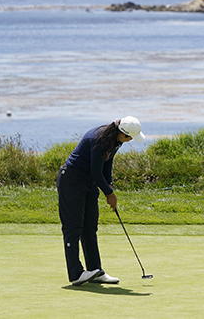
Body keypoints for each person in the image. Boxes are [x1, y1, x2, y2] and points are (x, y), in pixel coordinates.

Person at [56, 116, 145, 286]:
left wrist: (109, 183)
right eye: (130, 138)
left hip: (88, 182)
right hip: (72, 180)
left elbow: (107, 163)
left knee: (90, 227)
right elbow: (96, 171)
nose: (130, 141)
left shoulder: (115, 139)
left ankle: (95, 271)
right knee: (73, 227)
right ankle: (76, 274)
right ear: (122, 133)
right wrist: (109, 193)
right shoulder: (100, 139)